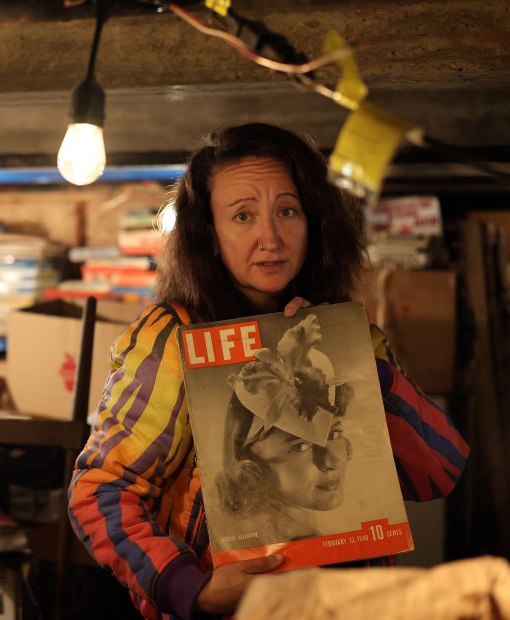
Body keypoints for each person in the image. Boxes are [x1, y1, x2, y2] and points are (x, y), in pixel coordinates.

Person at [67, 122, 470, 619]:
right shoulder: (175, 339)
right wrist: (187, 587)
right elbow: (101, 490)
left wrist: (358, 366)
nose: (271, 237)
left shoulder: (348, 335)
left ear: (313, 222)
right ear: (208, 236)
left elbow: (440, 470)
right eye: (242, 216)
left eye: (287, 211)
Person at [215, 314, 354, 544]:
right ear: (248, 461)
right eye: (299, 446)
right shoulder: (243, 544)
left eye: (334, 434)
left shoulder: (305, 524)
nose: (331, 461)